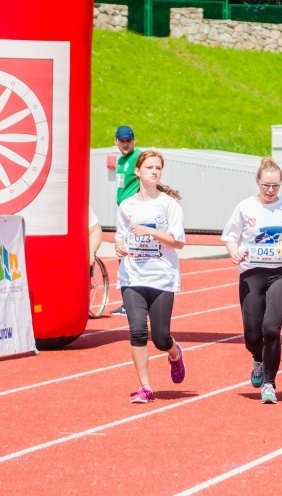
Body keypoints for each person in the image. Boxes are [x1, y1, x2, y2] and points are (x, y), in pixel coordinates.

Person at [221, 157, 282, 404]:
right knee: (252, 335)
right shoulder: (245, 207)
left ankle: (269, 383)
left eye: (275, 186)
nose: (270, 190)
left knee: (272, 329)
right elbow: (230, 236)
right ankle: (257, 358)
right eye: (266, 185)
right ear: (257, 182)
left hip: (280, 273)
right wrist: (234, 251)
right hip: (251, 274)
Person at [115, 150, 186, 403]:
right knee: (136, 331)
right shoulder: (127, 206)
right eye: (149, 168)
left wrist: (152, 232)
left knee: (160, 337)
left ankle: (175, 353)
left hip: (161, 277)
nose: (154, 172)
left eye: (158, 168)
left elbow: (178, 242)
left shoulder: (168, 205)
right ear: (138, 172)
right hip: (132, 276)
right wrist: (120, 246)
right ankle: (145, 387)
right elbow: (121, 236)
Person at [111, 125, 142, 316]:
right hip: (124, 212)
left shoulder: (138, 157)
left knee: (130, 254)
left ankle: (133, 302)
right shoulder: (121, 160)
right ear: (116, 141)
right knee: (122, 254)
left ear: (134, 140)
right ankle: (129, 301)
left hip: (133, 212)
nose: (125, 143)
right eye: (121, 140)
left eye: (128, 140)